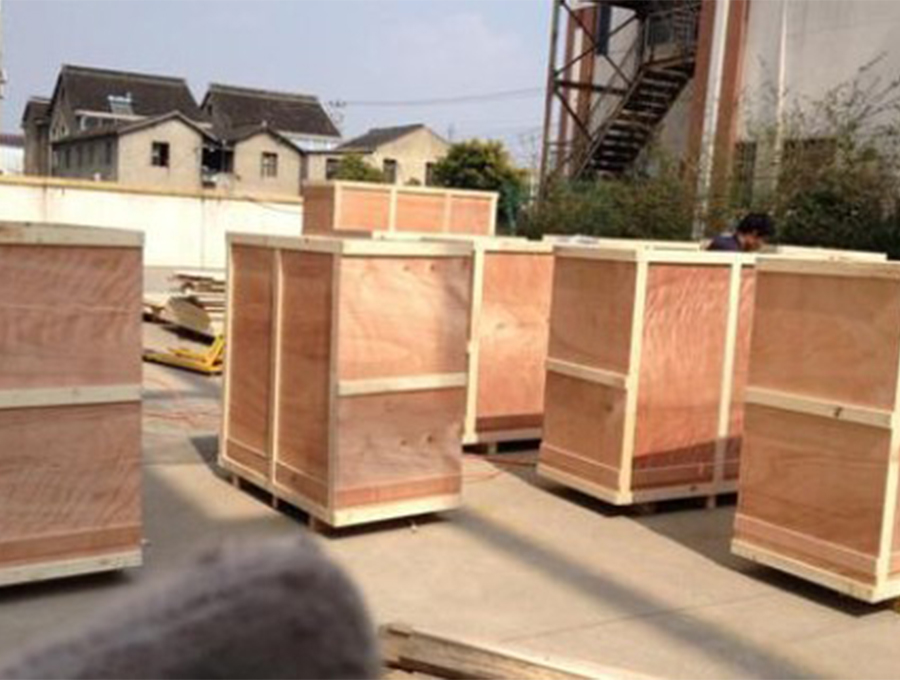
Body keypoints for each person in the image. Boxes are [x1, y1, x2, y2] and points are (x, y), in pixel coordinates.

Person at [707, 212, 775, 252]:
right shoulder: (727, 248)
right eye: (763, 240)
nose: (761, 245)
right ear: (754, 233)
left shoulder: (730, 245)